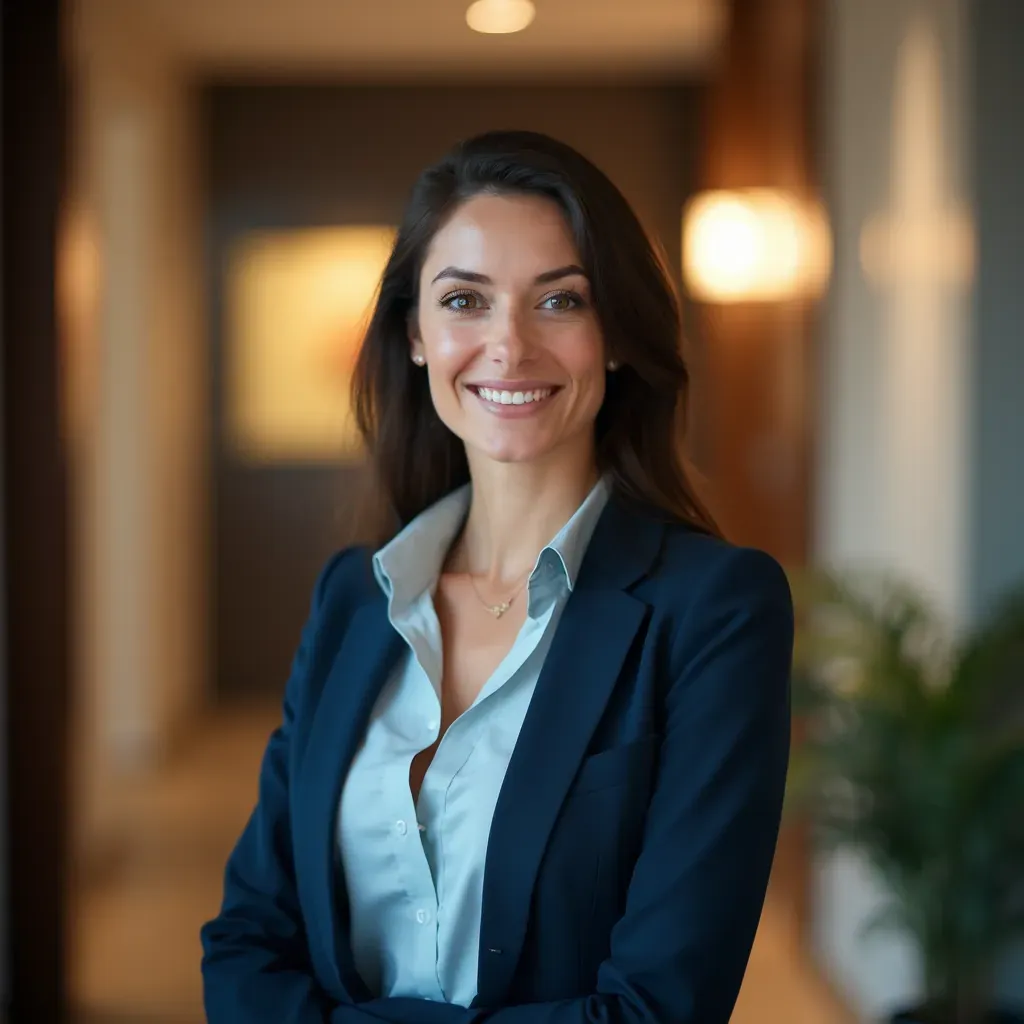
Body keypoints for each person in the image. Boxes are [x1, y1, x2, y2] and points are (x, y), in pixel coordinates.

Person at [201, 130, 794, 1024]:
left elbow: (657, 1007)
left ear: (619, 337)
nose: (508, 347)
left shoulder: (714, 611)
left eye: (559, 300)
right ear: (414, 335)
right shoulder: (355, 600)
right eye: (464, 301)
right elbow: (246, 942)